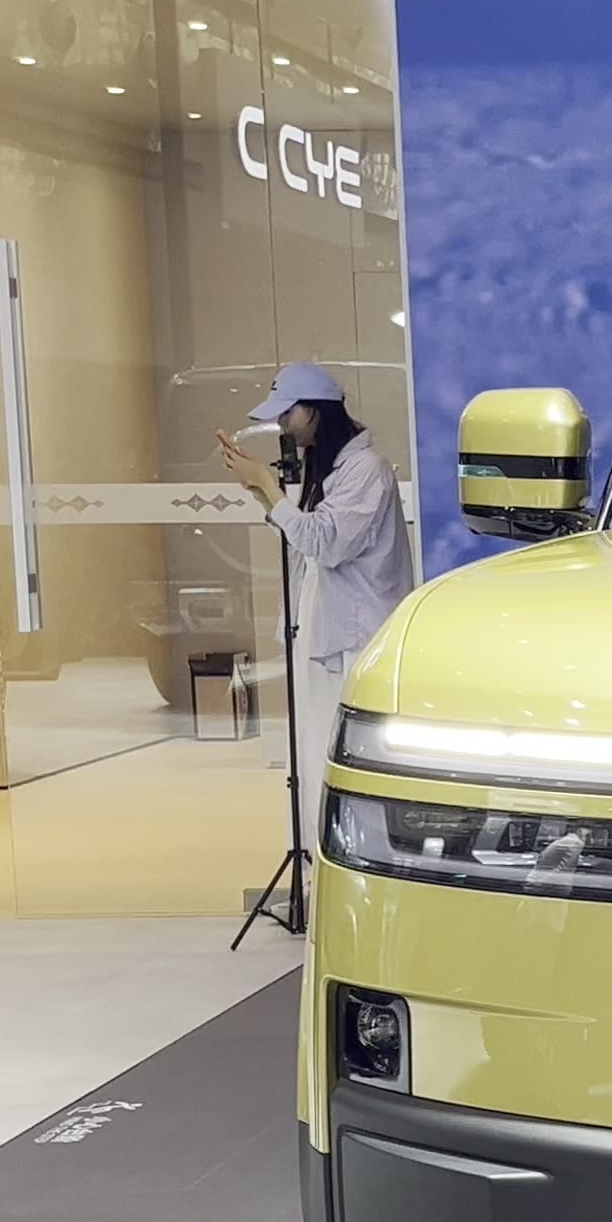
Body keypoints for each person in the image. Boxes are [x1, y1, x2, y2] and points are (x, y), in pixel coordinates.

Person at [214, 362, 414, 878]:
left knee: (343, 762)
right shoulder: (329, 471)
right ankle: (316, 870)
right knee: (311, 760)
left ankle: (352, 874)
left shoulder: (367, 471)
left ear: (318, 411)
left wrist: (268, 485)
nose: (283, 425)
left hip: (352, 643)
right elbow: (305, 538)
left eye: (289, 413)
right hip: (323, 635)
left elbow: (323, 543)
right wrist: (261, 490)